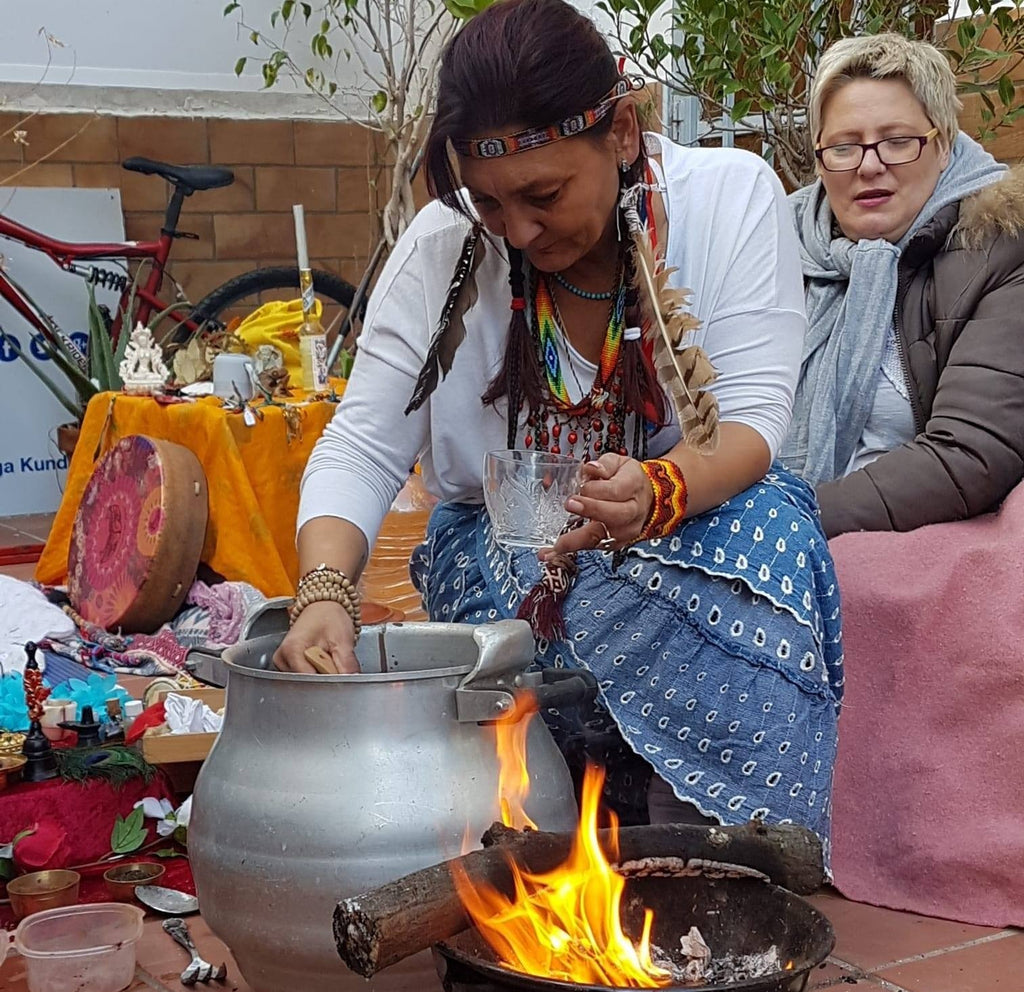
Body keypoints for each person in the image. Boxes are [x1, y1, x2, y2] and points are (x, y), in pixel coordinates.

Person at [276, 0, 843, 848]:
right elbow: (361, 442)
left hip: (686, 538)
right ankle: (554, 825)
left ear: (620, 133)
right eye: (492, 203)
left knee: (772, 530)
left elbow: (754, 417)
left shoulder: (727, 198)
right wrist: (323, 593)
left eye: (543, 195)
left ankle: (721, 848)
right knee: (515, 578)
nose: (520, 230)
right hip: (509, 568)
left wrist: (663, 485)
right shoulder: (444, 244)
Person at [783, 33, 1024, 538]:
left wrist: (787, 520)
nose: (870, 164)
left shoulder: (998, 246)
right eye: (845, 146)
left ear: (942, 146)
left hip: (908, 552)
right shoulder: (778, 246)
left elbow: (972, 451)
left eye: (897, 141)